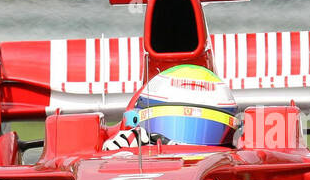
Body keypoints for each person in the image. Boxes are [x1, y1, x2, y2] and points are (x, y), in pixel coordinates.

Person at [102, 63, 239, 150]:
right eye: (171, 126)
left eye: (209, 132)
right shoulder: (127, 147)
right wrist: (116, 157)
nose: (184, 148)